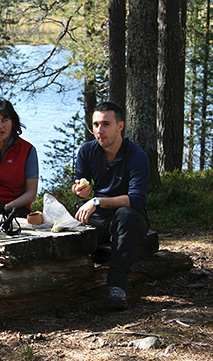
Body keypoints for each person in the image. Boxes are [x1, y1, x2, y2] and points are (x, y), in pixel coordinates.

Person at [72, 101, 149, 311]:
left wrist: (97, 201)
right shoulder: (87, 151)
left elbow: (137, 199)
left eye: (106, 124)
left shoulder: (136, 155)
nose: (100, 130)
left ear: (120, 126)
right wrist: (80, 190)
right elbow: (78, 181)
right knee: (72, 223)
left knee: (126, 216)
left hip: (131, 218)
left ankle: (117, 287)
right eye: (96, 124)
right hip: (101, 217)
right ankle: (67, 285)